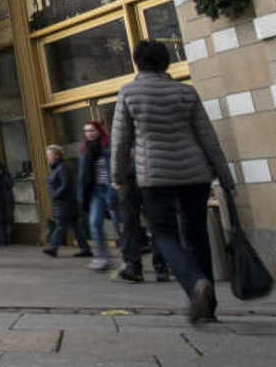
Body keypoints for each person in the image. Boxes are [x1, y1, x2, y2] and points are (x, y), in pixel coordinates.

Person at [111, 40, 236, 324]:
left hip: (155, 175)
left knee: (164, 233)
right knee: (197, 236)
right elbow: (209, 139)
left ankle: (194, 284)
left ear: (137, 63)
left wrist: (119, 178)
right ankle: (209, 307)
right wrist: (226, 180)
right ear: (166, 63)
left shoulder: (129, 93)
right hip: (195, 174)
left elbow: (120, 143)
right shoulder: (185, 92)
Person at [114, 147, 171, 284]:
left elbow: (120, 145)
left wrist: (117, 176)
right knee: (144, 224)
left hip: (137, 175)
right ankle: (159, 267)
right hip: (146, 173)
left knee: (132, 224)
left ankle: (136, 266)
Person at [79, 120, 117, 271]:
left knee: (119, 224)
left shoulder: (108, 146)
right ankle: (101, 257)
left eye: (91, 131)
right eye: (86, 131)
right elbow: (83, 176)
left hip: (111, 189)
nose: (88, 134)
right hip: (95, 192)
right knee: (94, 222)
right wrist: (82, 195)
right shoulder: (85, 150)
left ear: (99, 131)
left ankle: (129, 258)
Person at [43, 144, 91, 258]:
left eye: (50, 155)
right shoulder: (57, 168)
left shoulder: (62, 167)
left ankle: (53, 247)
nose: (48, 157)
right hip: (64, 202)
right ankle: (85, 248)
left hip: (65, 202)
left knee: (60, 225)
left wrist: (55, 195)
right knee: (76, 227)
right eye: (48, 155)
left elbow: (66, 184)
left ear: (57, 155)